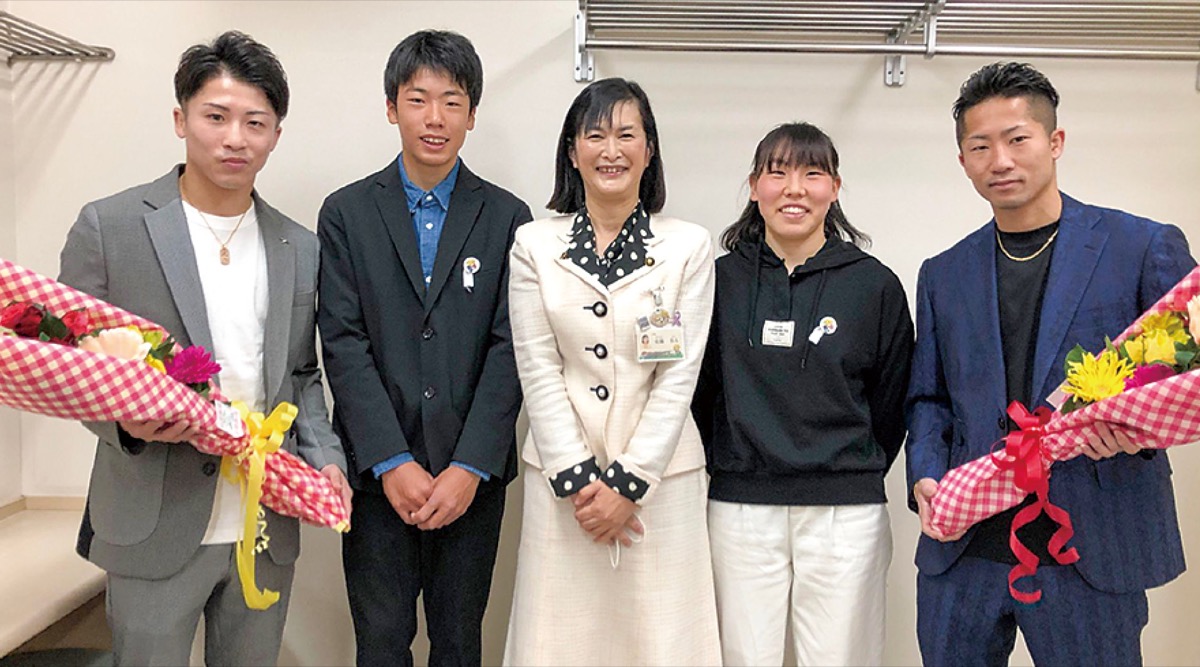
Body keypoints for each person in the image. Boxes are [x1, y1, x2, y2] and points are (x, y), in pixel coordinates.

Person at [57, 31, 351, 666]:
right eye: (216, 117)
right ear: (180, 120)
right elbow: (69, 365)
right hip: (151, 519)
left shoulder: (298, 246)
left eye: (255, 122)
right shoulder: (110, 227)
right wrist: (125, 424)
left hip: (264, 521)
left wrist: (325, 457)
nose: (234, 138)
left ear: (276, 134)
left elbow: (301, 373)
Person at [906, 61, 1194, 666]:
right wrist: (925, 474)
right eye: (980, 147)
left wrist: (1138, 436)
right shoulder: (943, 273)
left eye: (1017, 139)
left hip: (1088, 546)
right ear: (963, 160)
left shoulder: (1141, 246)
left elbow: (1183, 368)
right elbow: (929, 397)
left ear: (1055, 141)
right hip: (966, 547)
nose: (1000, 160)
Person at [316, 30, 531, 667]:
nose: (434, 117)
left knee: (459, 644)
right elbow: (343, 342)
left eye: (452, 102)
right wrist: (391, 461)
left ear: (471, 115)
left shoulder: (508, 217)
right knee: (380, 643)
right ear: (392, 108)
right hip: (377, 475)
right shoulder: (346, 213)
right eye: (418, 99)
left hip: (471, 478)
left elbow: (511, 348)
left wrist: (470, 466)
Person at [503, 77, 720, 666]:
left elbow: (679, 376)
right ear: (572, 151)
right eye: (595, 135)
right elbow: (537, 368)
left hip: (661, 484)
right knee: (559, 643)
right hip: (563, 488)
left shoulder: (687, 246)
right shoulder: (533, 245)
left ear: (649, 151)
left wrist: (628, 484)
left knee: (661, 642)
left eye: (627, 135)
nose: (611, 150)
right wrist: (580, 480)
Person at [692, 122, 912, 666]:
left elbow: (892, 402)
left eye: (812, 174)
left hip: (846, 513)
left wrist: (846, 468)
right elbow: (698, 393)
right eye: (778, 173)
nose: (795, 189)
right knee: (741, 657)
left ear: (834, 188)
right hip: (740, 507)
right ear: (754, 187)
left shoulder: (874, 285)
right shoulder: (715, 282)